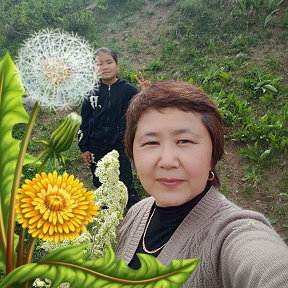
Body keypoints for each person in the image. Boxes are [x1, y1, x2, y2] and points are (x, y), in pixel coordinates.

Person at [116, 80, 288, 287]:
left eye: (185, 141)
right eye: (151, 143)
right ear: (132, 153)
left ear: (213, 155)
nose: (168, 161)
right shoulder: (136, 213)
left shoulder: (230, 234)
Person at [78, 47, 150, 209]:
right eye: (99, 64)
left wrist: (146, 93)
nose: (104, 67)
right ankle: (106, 207)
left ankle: (133, 208)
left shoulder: (128, 90)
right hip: (96, 146)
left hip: (120, 145)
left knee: (124, 178)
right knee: (100, 178)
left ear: (117, 66)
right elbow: (84, 121)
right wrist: (84, 148)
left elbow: (144, 111)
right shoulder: (91, 92)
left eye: (109, 62)